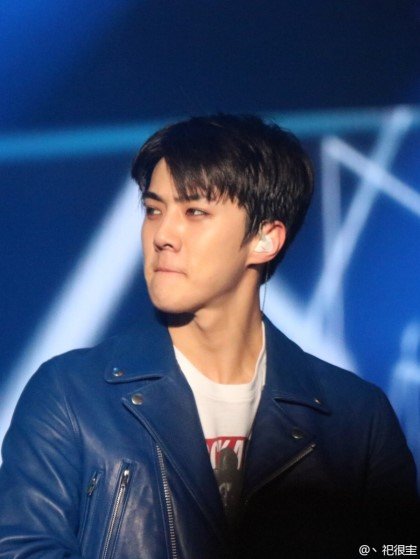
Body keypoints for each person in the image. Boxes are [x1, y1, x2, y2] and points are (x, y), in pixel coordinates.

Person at [0, 114, 417, 559]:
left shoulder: (355, 418)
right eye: (154, 209)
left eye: (195, 212)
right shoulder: (72, 393)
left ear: (265, 239)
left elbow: (396, 550)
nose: (163, 235)